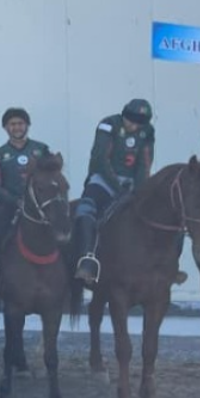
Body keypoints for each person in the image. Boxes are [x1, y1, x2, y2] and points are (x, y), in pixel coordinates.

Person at [73, 99, 155, 284]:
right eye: (130, 120)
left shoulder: (147, 131)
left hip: (131, 183)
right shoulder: (109, 124)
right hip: (104, 180)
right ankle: (87, 258)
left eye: (138, 123)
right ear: (123, 115)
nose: (133, 125)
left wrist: (140, 189)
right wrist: (118, 189)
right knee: (85, 209)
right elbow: (101, 159)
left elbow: (145, 163)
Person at [0, 107, 52, 282]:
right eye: (12, 124)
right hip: (8, 205)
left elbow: (52, 177)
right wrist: (15, 201)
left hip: (40, 205)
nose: (16, 127)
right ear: (5, 128)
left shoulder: (42, 150)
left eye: (20, 123)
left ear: (27, 125)